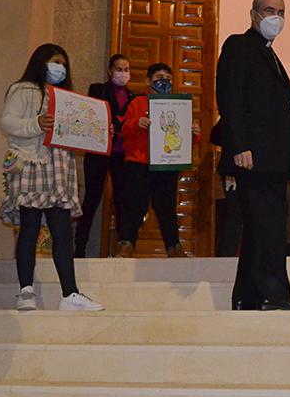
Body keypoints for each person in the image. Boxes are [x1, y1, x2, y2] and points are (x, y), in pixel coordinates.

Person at [216, 0, 290, 311]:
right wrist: (239, 145)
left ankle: (246, 296)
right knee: (268, 225)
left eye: (281, 12)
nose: (276, 17)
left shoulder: (270, 54)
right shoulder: (239, 46)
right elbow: (230, 98)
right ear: (253, 14)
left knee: (260, 226)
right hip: (253, 157)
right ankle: (275, 291)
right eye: (269, 10)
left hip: (274, 160)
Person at [0, 43, 102, 312]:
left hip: (59, 166)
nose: (60, 68)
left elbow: (79, 130)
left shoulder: (67, 97)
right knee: (29, 228)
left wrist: (99, 130)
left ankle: (70, 293)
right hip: (32, 162)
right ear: (41, 62)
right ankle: (25, 291)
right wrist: (36, 123)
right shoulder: (23, 90)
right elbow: (7, 122)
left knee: (62, 231)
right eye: (55, 61)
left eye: (64, 63)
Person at [119, 63, 200, 257]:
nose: (164, 81)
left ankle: (173, 247)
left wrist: (195, 133)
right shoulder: (137, 103)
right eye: (159, 77)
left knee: (166, 207)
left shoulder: (178, 104)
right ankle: (126, 244)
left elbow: (185, 136)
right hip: (139, 162)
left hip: (167, 164)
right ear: (148, 81)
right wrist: (136, 123)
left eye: (168, 78)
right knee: (135, 205)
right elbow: (123, 130)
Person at [74, 54, 138, 257]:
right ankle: (79, 249)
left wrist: (118, 126)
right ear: (110, 71)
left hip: (121, 154)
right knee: (91, 199)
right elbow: (93, 113)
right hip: (98, 152)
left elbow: (129, 122)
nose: (123, 73)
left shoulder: (133, 97)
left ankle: (122, 248)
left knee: (122, 201)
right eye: (119, 69)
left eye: (127, 69)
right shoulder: (98, 89)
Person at [210, 120, 242, 257]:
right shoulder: (231, 115)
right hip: (233, 174)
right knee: (232, 219)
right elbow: (215, 136)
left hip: (240, 174)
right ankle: (226, 258)